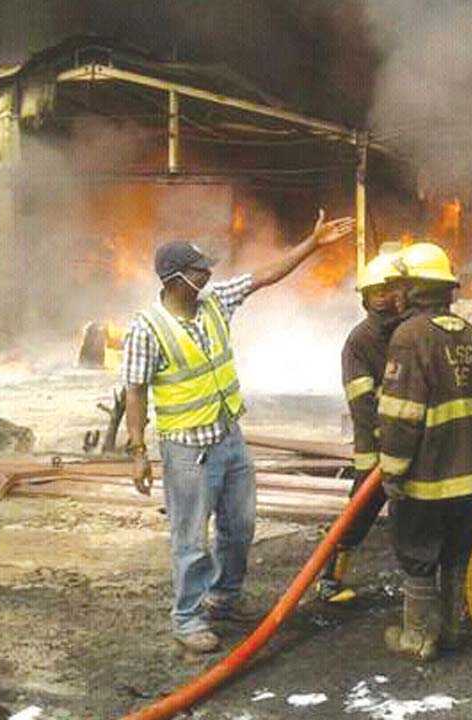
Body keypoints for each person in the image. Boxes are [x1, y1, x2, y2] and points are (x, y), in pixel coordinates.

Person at [122, 210, 355, 655]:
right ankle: (188, 618)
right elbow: (134, 392)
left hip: (229, 438)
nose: (207, 275)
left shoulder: (215, 302)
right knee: (190, 537)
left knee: (239, 526)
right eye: (197, 271)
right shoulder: (147, 330)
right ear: (174, 280)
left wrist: (312, 243)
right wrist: (137, 451)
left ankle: (225, 598)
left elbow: (264, 276)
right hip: (187, 452)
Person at [376, 242, 472, 660]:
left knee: (418, 553)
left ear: (414, 289)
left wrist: (391, 472)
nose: (395, 294)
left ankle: (419, 638)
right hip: (470, 476)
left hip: (426, 478)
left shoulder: (410, 338)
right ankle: (454, 629)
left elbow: (401, 416)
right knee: (456, 550)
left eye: (401, 285)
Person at [316, 244, 405, 603]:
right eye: (378, 293)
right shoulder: (360, 341)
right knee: (359, 512)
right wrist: (391, 441)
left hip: (413, 441)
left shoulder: (412, 333)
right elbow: (362, 406)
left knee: (422, 513)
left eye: (391, 290)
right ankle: (330, 579)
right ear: (367, 299)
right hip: (377, 448)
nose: (385, 300)